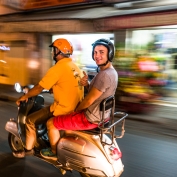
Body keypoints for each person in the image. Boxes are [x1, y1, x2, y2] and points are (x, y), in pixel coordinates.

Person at [40, 38, 118, 160]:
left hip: (89, 118)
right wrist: (86, 85)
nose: (97, 55)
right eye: (95, 52)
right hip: (101, 116)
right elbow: (97, 94)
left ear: (110, 54)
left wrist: (74, 111)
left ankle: (54, 153)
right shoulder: (111, 72)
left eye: (101, 52)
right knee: (66, 122)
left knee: (51, 123)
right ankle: (65, 147)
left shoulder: (104, 75)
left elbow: (88, 101)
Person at [13, 38, 84, 158]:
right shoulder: (75, 68)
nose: (52, 53)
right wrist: (54, 88)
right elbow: (68, 84)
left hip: (62, 108)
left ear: (58, 51)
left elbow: (39, 88)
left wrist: (25, 96)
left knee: (30, 120)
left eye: (54, 50)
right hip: (75, 108)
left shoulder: (58, 68)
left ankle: (28, 150)